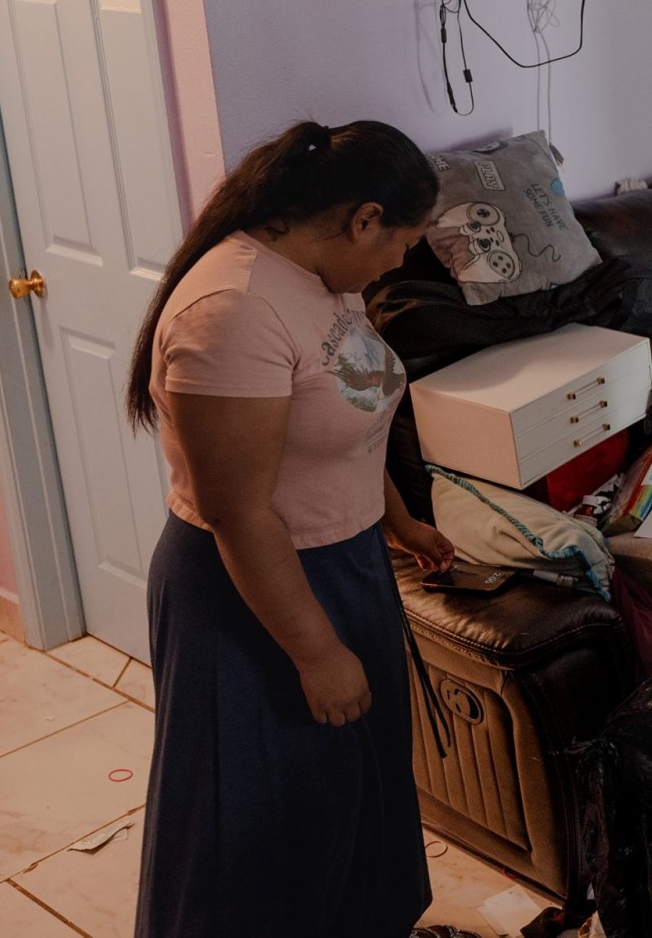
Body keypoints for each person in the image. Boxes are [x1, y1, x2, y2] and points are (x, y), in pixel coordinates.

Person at [124, 120, 454, 937]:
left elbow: (347, 409)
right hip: (254, 592)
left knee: (347, 797)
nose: (400, 264)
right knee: (254, 822)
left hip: (341, 566)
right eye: (403, 243)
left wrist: (401, 522)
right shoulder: (233, 309)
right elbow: (240, 510)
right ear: (364, 218)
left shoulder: (322, 276)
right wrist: (314, 649)